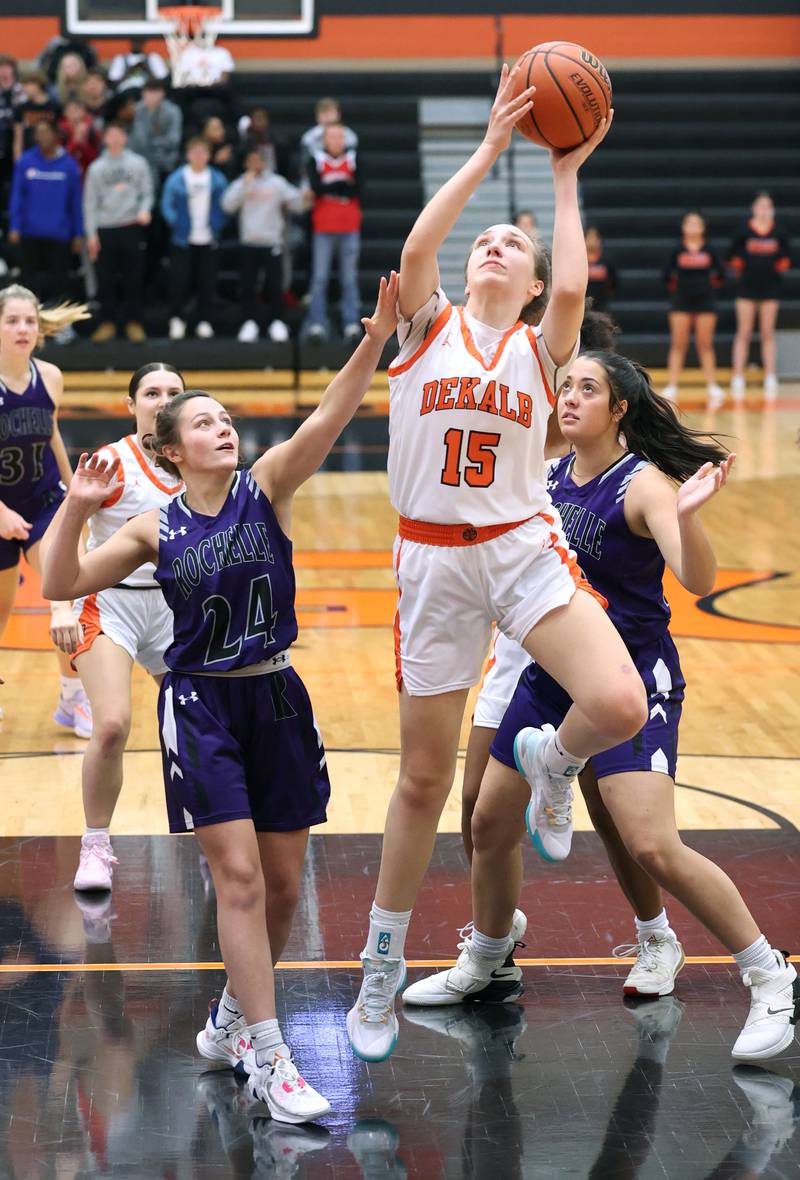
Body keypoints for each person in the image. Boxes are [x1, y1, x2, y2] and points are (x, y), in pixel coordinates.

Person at [42, 273, 400, 1125]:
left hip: (277, 701)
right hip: (200, 708)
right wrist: (74, 507)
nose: (223, 426)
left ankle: (236, 1013)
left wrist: (376, 339)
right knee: (235, 881)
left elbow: (333, 413)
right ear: (172, 450)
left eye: (225, 417)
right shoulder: (152, 527)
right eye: (204, 421)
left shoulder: (267, 485)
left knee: (279, 887)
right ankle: (271, 1057)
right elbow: (61, 579)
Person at [343, 67, 648, 1065]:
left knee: (617, 701)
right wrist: (484, 149)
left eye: (507, 246)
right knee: (422, 782)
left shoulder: (537, 345)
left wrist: (562, 174)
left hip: (517, 546)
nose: (492, 246)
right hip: (431, 562)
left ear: (523, 288)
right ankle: (381, 963)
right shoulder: (424, 327)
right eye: (488, 239)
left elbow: (570, 283)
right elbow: (419, 246)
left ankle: (549, 763)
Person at [404, 349, 798, 1065]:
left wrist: (688, 515)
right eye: (565, 387)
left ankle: (772, 976)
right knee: (489, 822)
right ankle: (490, 958)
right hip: (555, 674)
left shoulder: (642, 485)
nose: (570, 397)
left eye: (588, 389)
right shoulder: (546, 474)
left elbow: (699, 577)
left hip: (632, 678)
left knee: (651, 843)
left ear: (619, 409)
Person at [47, 363, 185, 893]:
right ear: (132, 404)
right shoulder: (113, 461)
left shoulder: (197, 455)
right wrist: (62, 604)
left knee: (203, 727)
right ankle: (96, 846)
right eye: (152, 392)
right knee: (111, 725)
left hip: (178, 609)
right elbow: (68, 531)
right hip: (112, 605)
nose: (163, 399)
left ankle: (210, 828)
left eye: (174, 391)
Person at [0, 284, 91, 736]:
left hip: (41, 501)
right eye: (12, 320)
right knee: (1, 611)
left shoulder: (50, 376)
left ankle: (73, 698)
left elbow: (52, 433)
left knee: (65, 597)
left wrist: (76, 494)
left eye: (30, 321)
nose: (22, 328)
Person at [222, 147, 308, 343]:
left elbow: (297, 202)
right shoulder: (242, 182)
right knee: (248, 285)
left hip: (272, 242)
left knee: (274, 285)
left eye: (258, 160)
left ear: (264, 162)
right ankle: (249, 322)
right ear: (246, 163)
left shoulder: (276, 183)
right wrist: (244, 185)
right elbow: (227, 205)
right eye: (251, 161)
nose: (255, 164)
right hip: (249, 242)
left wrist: (307, 196)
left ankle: (276, 321)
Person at [83, 122, 153, 344]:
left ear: (124, 138)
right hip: (105, 228)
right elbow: (90, 203)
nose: (113, 139)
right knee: (105, 280)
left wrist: (144, 210)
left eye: (118, 134)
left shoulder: (138, 163)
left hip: (131, 226)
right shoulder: (96, 168)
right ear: (104, 139)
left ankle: (133, 323)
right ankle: (108, 323)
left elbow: (148, 193)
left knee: (133, 278)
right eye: (109, 135)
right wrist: (91, 233)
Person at [8, 121, 84, 315]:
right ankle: (27, 320)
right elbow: (17, 196)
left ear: (55, 135)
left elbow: (75, 201)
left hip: (60, 233)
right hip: (30, 231)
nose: (43, 137)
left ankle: (61, 326)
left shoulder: (68, 165)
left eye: (46, 133)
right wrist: (15, 226)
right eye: (39, 133)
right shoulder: (25, 161)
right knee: (28, 282)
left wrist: (78, 233)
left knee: (60, 281)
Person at [161, 137, 227, 340]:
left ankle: (203, 320)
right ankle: (177, 319)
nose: (199, 156)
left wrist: (217, 224)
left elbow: (225, 205)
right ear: (188, 155)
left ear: (208, 155)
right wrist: (177, 223)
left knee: (206, 283)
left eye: (203, 152)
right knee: (179, 282)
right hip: (183, 240)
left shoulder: (217, 179)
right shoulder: (177, 178)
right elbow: (166, 204)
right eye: (195, 152)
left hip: (208, 239)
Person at [728, 192, 792, 402]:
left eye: (768, 206)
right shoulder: (744, 230)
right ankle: (737, 375)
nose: (764, 210)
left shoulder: (779, 231)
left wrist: (778, 267)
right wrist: (740, 266)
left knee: (767, 332)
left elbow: (787, 256)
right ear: (754, 209)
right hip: (746, 288)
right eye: (761, 206)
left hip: (770, 289)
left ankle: (770, 375)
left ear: (772, 209)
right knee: (744, 331)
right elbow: (730, 255)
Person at [305, 123, 362, 342]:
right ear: (325, 140)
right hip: (323, 228)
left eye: (340, 137)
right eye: (332, 137)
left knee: (349, 279)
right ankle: (317, 323)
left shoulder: (355, 158)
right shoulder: (316, 160)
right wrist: (342, 185)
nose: (336, 141)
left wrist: (328, 187)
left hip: (349, 227)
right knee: (319, 278)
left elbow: (358, 188)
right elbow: (315, 187)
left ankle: (350, 323)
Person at [662, 211, 725, 409]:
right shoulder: (677, 249)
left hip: (706, 302)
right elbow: (666, 275)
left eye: (697, 223)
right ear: (683, 227)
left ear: (703, 227)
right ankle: (671, 386)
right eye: (689, 223)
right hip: (681, 301)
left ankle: (712, 386)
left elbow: (721, 275)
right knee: (678, 344)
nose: (693, 227)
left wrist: (706, 288)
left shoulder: (710, 249)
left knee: (705, 344)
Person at [128, 79, 183, 188]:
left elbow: (174, 140)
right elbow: (139, 140)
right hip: (143, 157)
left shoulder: (173, 111)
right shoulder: (137, 110)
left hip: (166, 157)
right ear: (143, 94)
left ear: (162, 94)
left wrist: (153, 143)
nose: (152, 96)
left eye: (155, 92)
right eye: (148, 92)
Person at [12, 69, 61, 159]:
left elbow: (58, 133)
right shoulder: (21, 108)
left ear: (38, 84)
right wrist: (18, 160)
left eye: (28, 84)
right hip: (28, 155)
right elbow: (18, 138)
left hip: (50, 154)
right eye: (24, 85)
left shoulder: (55, 107)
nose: (25, 88)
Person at [58, 98, 101, 180]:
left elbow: (96, 160)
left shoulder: (92, 130)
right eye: (71, 111)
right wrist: (75, 142)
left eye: (78, 110)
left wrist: (83, 144)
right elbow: (59, 159)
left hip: (88, 176)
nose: (75, 115)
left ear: (84, 112)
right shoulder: (60, 132)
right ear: (65, 113)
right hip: (66, 176)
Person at [585, 226, 617, 312]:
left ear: (599, 241)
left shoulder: (606, 261)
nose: (592, 241)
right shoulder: (579, 262)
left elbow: (614, 283)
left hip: (602, 307)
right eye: (590, 238)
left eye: (595, 238)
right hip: (584, 307)